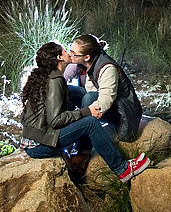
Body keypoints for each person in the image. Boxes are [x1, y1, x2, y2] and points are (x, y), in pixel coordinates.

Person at [20, 41, 150, 183]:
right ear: (59, 58)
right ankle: (122, 169)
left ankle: (76, 147)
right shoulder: (55, 81)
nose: (69, 53)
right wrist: (86, 112)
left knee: (73, 92)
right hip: (40, 145)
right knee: (91, 124)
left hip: (37, 138)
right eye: (65, 51)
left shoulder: (49, 76)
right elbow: (55, 120)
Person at [68, 34, 143, 142]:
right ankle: (65, 131)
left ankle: (84, 148)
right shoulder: (81, 62)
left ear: (87, 57)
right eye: (70, 50)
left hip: (122, 112)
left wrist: (81, 114)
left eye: (74, 54)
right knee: (69, 91)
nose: (70, 55)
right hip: (99, 101)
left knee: (88, 98)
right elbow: (64, 77)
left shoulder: (107, 68)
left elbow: (106, 100)